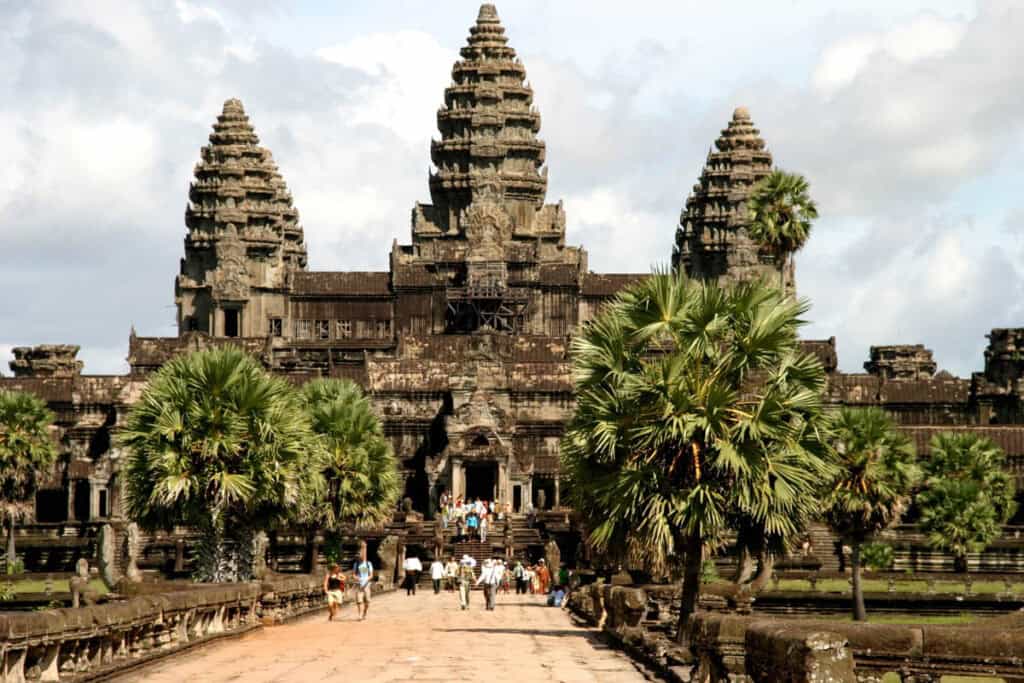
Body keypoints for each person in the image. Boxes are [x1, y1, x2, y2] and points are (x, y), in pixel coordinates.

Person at [353, 544, 373, 621]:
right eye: (357, 557)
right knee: (359, 601)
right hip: (359, 585)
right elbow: (354, 575)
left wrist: (365, 581)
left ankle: (364, 612)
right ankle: (360, 615)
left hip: (367, 585)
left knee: (367, 601)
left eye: (359, 556)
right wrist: (357, 578)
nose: (358, 558)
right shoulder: (356, 564)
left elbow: (370, 575)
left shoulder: (368, 564)